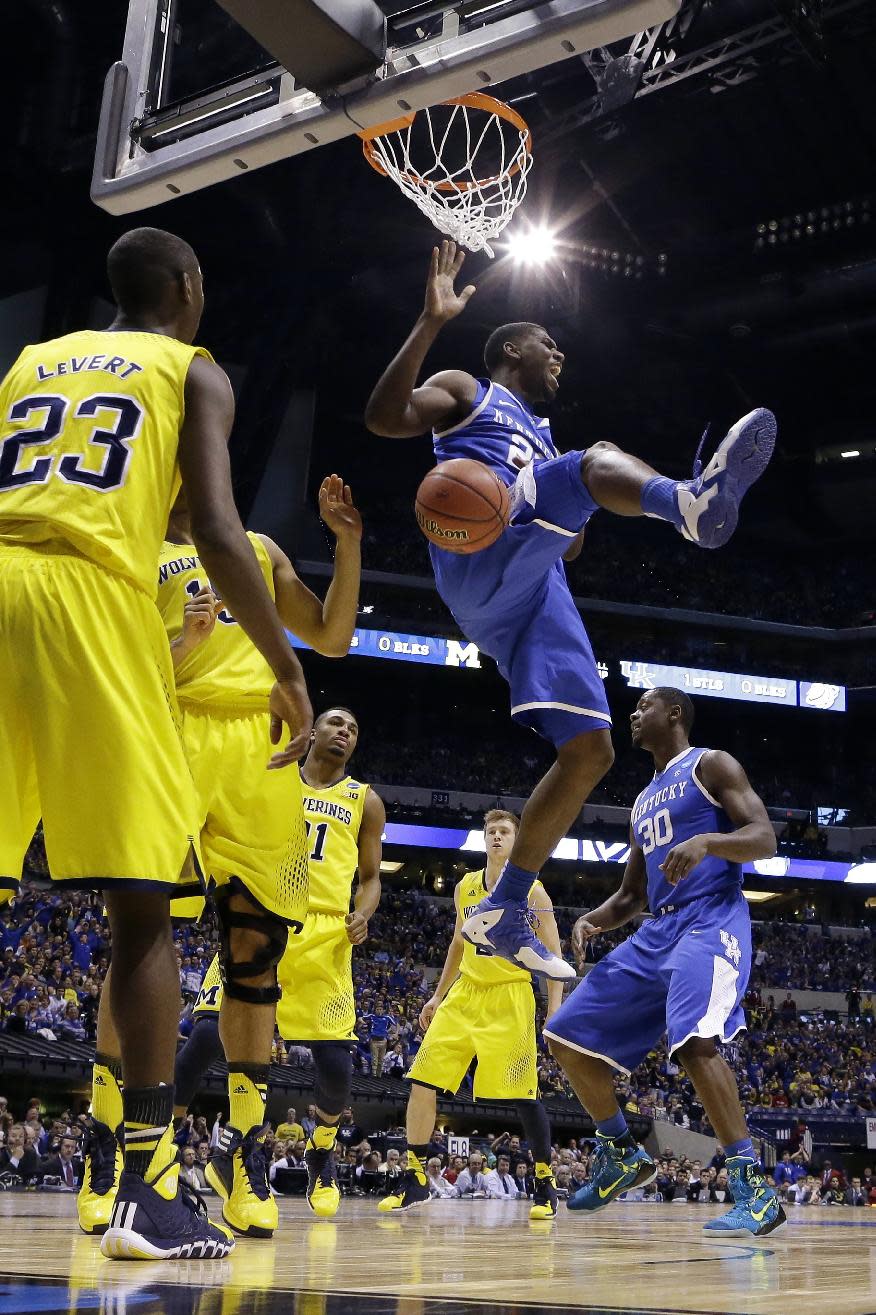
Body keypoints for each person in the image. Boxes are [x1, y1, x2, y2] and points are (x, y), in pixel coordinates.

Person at [0, 227, 313, 1261]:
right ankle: (148, 1182)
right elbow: (221, 532)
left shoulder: (34, 360)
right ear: (190, 288)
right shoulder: (192, 367)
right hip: (91, 600)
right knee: (144, 900)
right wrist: (285, 665)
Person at [365, 239, 776, 979]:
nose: (559, 356)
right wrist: (430, 322)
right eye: (549, 346)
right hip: (475, 549)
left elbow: (572, 547)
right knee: (593, 460)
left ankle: (507, 905)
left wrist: (572, 509)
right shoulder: (469, 391)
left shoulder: (543, 438)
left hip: (533, 589)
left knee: (592, 751)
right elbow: (384, 415)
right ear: (513, 348)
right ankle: (688, 502)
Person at [543, 687, 786, 1238]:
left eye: (644, 705)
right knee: (563, 1037)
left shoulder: (711, 764)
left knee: (696, 1044)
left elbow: (765, 837)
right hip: (658, 930)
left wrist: (708, 842)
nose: (633, 714)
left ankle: (755, 1191)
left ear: (674, 713)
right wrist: (594, 920)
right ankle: (622, 1153)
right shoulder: (643, 801)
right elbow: (633, 894)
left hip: (711, 920)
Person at [174, 706, 384, 1220]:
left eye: (354, 728)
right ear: (312, 731)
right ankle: (165, 1148)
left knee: (337, 1068)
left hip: (326, 936)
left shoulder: (365, 800)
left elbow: (372, 876)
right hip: (262, 915)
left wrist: (363, 912)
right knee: (204, 1037)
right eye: (337, 722)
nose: (345, 731)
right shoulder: (273, 773)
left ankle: (322, 1154)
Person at [378, 810, 561, 1220]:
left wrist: (555, 1010)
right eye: (491, 832)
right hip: (465, 993)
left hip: (511, 996)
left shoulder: (534, 892)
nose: (497, 837)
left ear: (517, 840)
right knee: (423, 1080)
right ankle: (415, 1179)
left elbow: (553, 955)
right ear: (484, 840)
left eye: (504, 832)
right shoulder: (465, 887)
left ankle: (545, 1184)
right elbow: (458, 946)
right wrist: (437, 997)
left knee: (522, 1094)